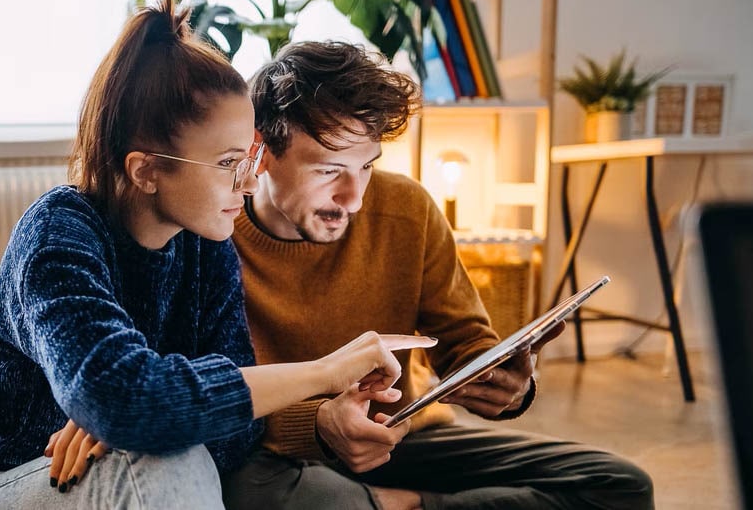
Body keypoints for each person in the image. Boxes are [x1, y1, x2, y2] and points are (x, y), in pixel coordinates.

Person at [0, 0, 419, 510]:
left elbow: (232, 441)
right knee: (162, 463)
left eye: (246, 160)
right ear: (146, 170)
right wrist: (322, 372)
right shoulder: (57, 234)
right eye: (227, 163)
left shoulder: (206, 246)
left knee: (171, 455)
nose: (247, 184)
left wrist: (145, 415)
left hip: (107, 480)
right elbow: (125, 400)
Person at [220, 41, 655, 510]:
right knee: (241, 487)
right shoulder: (213, 233)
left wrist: (504, 381)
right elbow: (211, 399)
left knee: (620, 484)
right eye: (329, 170)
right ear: (259, 151)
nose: (354, 199)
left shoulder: (406, 208)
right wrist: (318, 423)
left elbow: (464, 341)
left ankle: (400, 504)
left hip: (398, 440)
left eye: (366, 167)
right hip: (281, 452)